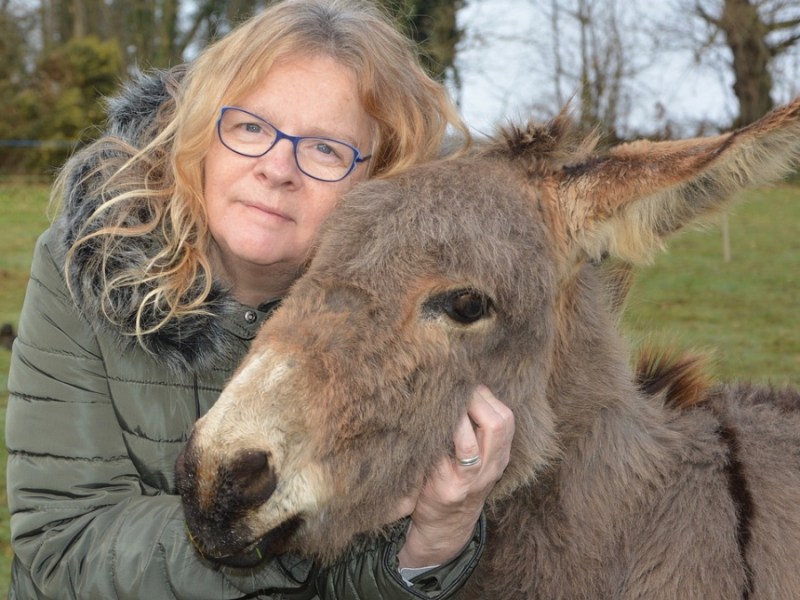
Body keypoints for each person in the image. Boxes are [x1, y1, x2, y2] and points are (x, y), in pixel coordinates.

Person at [5, 0, 515, 598]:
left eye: (326, 149)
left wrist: (431, 544)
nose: (278, 168)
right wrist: (276, 539)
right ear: (201, 130)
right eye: (251, 126)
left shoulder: (403, 330)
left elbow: (369, 570)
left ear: (380, 183)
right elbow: (65, 542)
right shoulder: (84, 262)